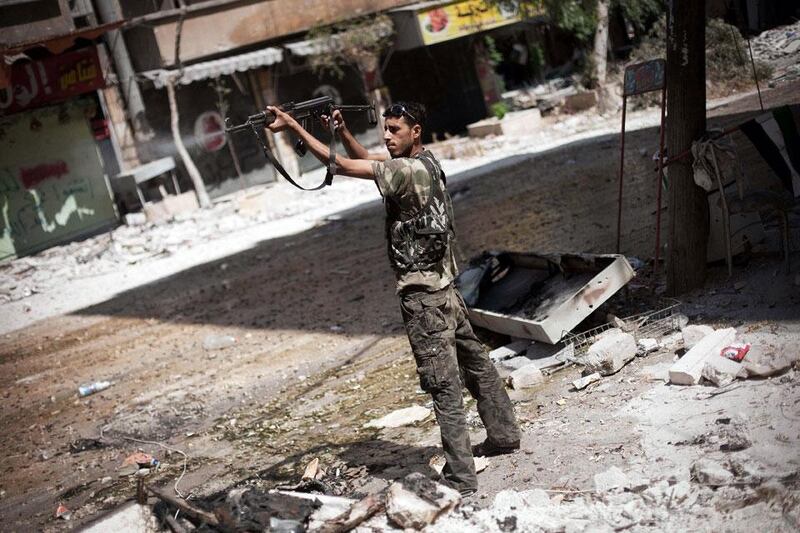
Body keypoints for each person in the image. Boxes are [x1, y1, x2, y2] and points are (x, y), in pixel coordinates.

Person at [266, 101, 520, 496]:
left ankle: (461, 476)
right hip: (446, 289)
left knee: (443, 386)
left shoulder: (404, 170)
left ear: (415, 130)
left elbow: (344, 166)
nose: (387, 135)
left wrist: (294, 128)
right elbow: (368, 161)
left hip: (424, 297)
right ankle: (504, 435)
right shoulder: (426, 162)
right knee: (477, 365)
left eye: (395, 129)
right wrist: (346, 131)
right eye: (385, 128)